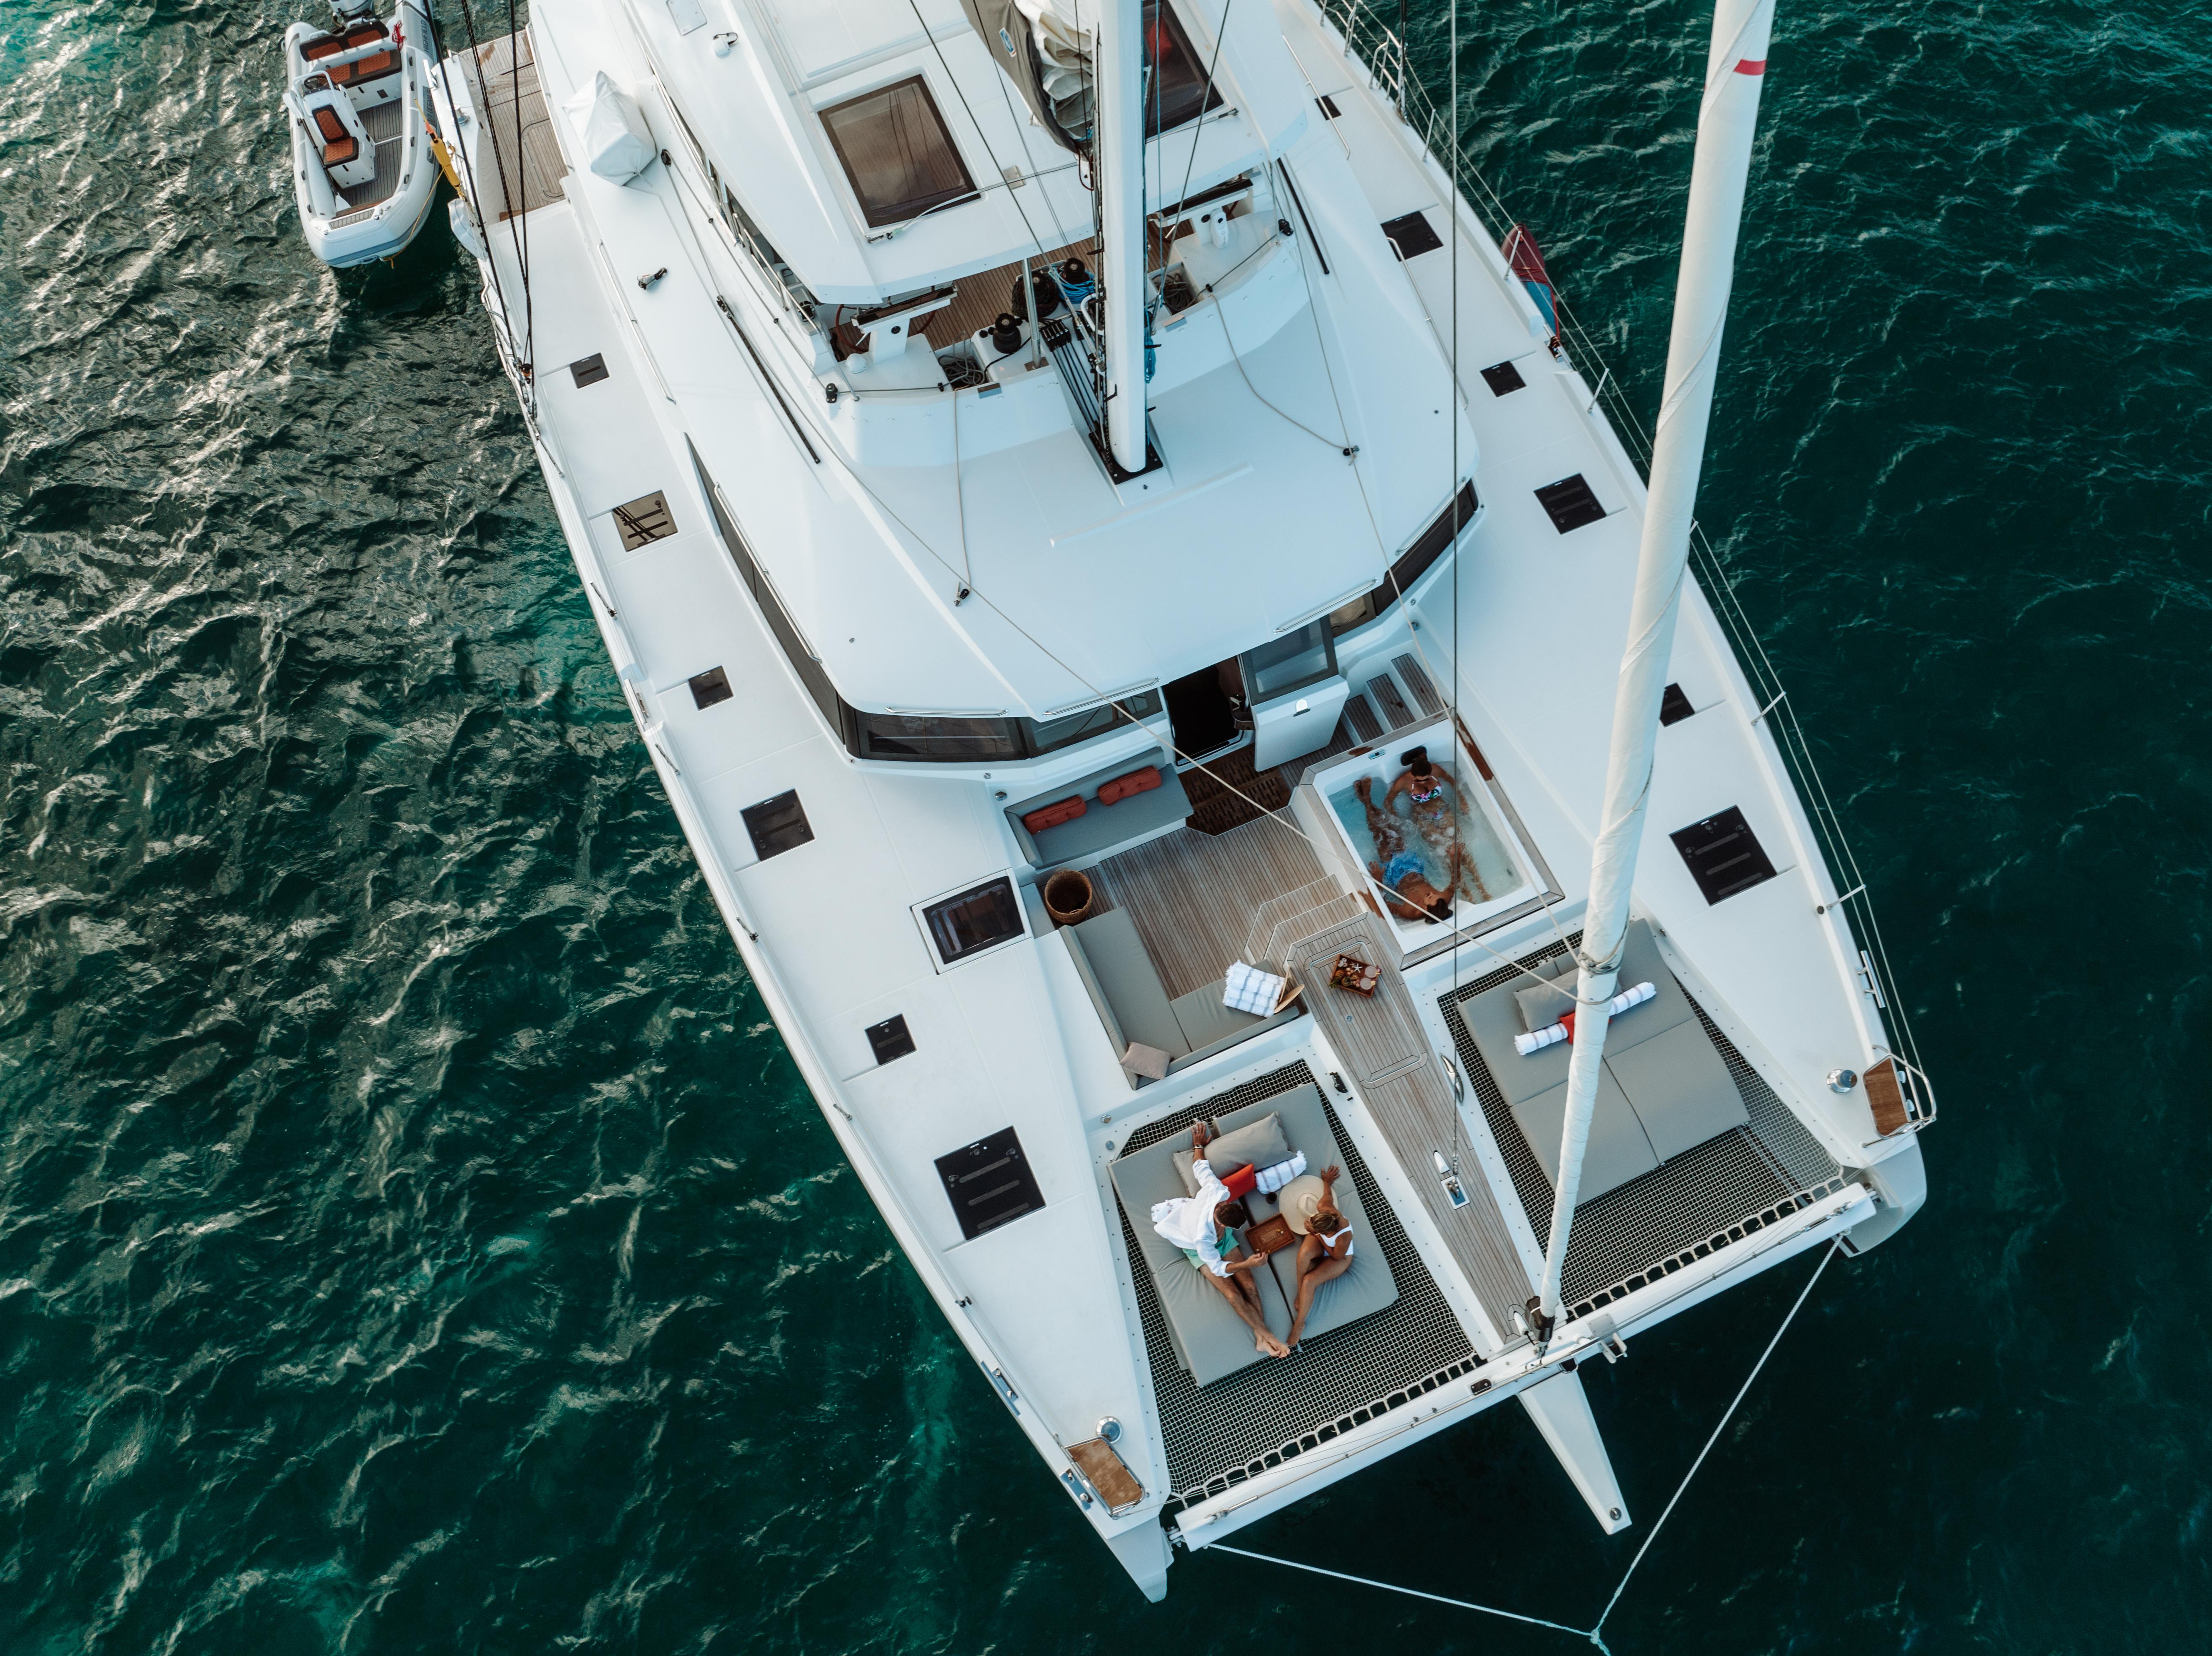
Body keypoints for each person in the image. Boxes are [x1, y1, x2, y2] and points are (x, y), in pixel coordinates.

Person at [1148, 1121, 1289, 1359]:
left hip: (1217, 1237)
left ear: (1225, 1205)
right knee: (1233, 1295)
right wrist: (1248, 1264)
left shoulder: (1218, 1193)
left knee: (1251, 1288)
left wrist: (1198, 1145)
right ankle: (1270, 1337)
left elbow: (1200, 1167)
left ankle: (1260, 1338)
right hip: (1196, 1249)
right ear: (1220, 1223)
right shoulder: (1201, 1236)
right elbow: (1219, 1268)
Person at [1385, 747, 1492, 904]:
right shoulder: (1404, 782)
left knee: (1461, 848)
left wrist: (1462, 799)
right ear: (1412, 775)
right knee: (1446, 854)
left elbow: (1451, 780)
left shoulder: (1435, 769)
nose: (1424, 782)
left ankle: (1481, 888)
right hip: (1423, 819)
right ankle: (1466, 891)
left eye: (1427, 778)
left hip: (1443, 811)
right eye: (1419, 780)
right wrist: (1398, 821)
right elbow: (1388, 801)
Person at [1354, 776, 1454, 924]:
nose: (1432, 893)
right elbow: (1455, 882)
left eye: (1429, 897)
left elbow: (1381, 906)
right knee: (1391, 829)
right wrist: (1454, 859)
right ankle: (1368, 802)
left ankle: (1366, 801)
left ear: (1426, 909)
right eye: (1435, 894)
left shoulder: (1410, 912)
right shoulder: (1443, 898)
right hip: (1412, 865)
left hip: (1392, 874)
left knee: (1378, 832)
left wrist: (1377, 881)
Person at [1286, 1164, 1356, 1350]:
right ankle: (1301, 1292)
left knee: (1310, 1281)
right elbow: (1328, 1193)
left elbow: (1335, 1255)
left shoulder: (1344, 1236)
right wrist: (1326, 1181)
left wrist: (1316, 1235)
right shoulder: (1324, 1207)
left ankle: (1300, 1323)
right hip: (1323, 1240)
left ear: (1329, 1231)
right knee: (1303, 1255)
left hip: (1339, 1257)